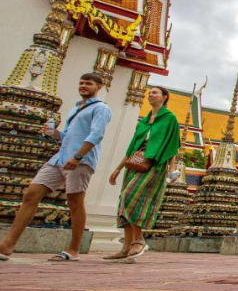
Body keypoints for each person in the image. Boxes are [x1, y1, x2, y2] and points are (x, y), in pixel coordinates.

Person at [0, 73, 112, 262]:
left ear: (99, 87)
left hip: (80, 160)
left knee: (75, 202)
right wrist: (54, 133)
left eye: (88, 83)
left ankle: (74, 249)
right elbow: (67, 135)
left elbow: (97, 134)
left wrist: (78, 156)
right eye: (81, 83)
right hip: (60, 157)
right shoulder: (77, 108)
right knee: (31, 194)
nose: (83, 86)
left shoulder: (101, 108)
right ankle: (7, 245)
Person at [103, 86, 179, 262]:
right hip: (134, 164)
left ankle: (139, 240)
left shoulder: (169, 119)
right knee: (123, 201)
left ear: (164, 97)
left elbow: (173, 146)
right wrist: (117, 168)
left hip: (154, 164)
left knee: (132, 197)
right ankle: (125, 248)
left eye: (155, 93)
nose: (150, 95)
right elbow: (132, 148)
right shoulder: (144, 121)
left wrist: (173, 170)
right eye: (149, 93)